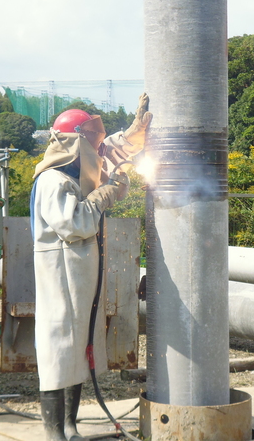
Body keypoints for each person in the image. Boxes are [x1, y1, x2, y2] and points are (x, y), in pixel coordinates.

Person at [30, 94, 152, 441]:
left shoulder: (78, 172)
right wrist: (107, 194)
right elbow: (76, 223)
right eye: (92, 144)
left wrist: (133, 132)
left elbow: (110, 151)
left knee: (79, 352)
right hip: (60, 280)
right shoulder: (53, 181)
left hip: (81, 281)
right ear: (74, 144)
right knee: (58, 352)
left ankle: (71, 427)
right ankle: (56, 432)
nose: (98, 152)